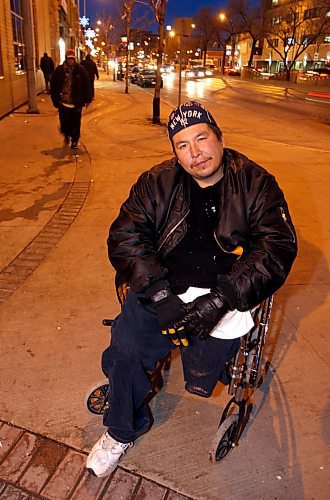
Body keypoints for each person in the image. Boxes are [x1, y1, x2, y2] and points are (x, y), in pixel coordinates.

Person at [86, 101, 297, 478]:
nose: (195, 152)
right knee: (126, 349)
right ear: (175, 153)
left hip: (225, 294)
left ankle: (204, 367)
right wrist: (159, 292)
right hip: (163, 288)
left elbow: (276, 248)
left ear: (219, 138)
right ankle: (121, 430)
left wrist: (221, 299)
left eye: (202, 138)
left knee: (203, 377)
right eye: (183, 145)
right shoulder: (156, 182)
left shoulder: (255, 182)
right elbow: (125, 236)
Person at [50, 49, 92, 149]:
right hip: (63, 102)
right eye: (68, 59)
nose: (70, 61)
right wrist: (55, 99)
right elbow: (54, 85)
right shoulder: (59, 70)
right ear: (66, 59)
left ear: (74, 59)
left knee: (76, 122)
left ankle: (75, 140)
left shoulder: (80, 70)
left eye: (72, 59)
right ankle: (67, 135)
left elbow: (87, 84)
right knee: (64, 121)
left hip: (76, 102)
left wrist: (88, 99)